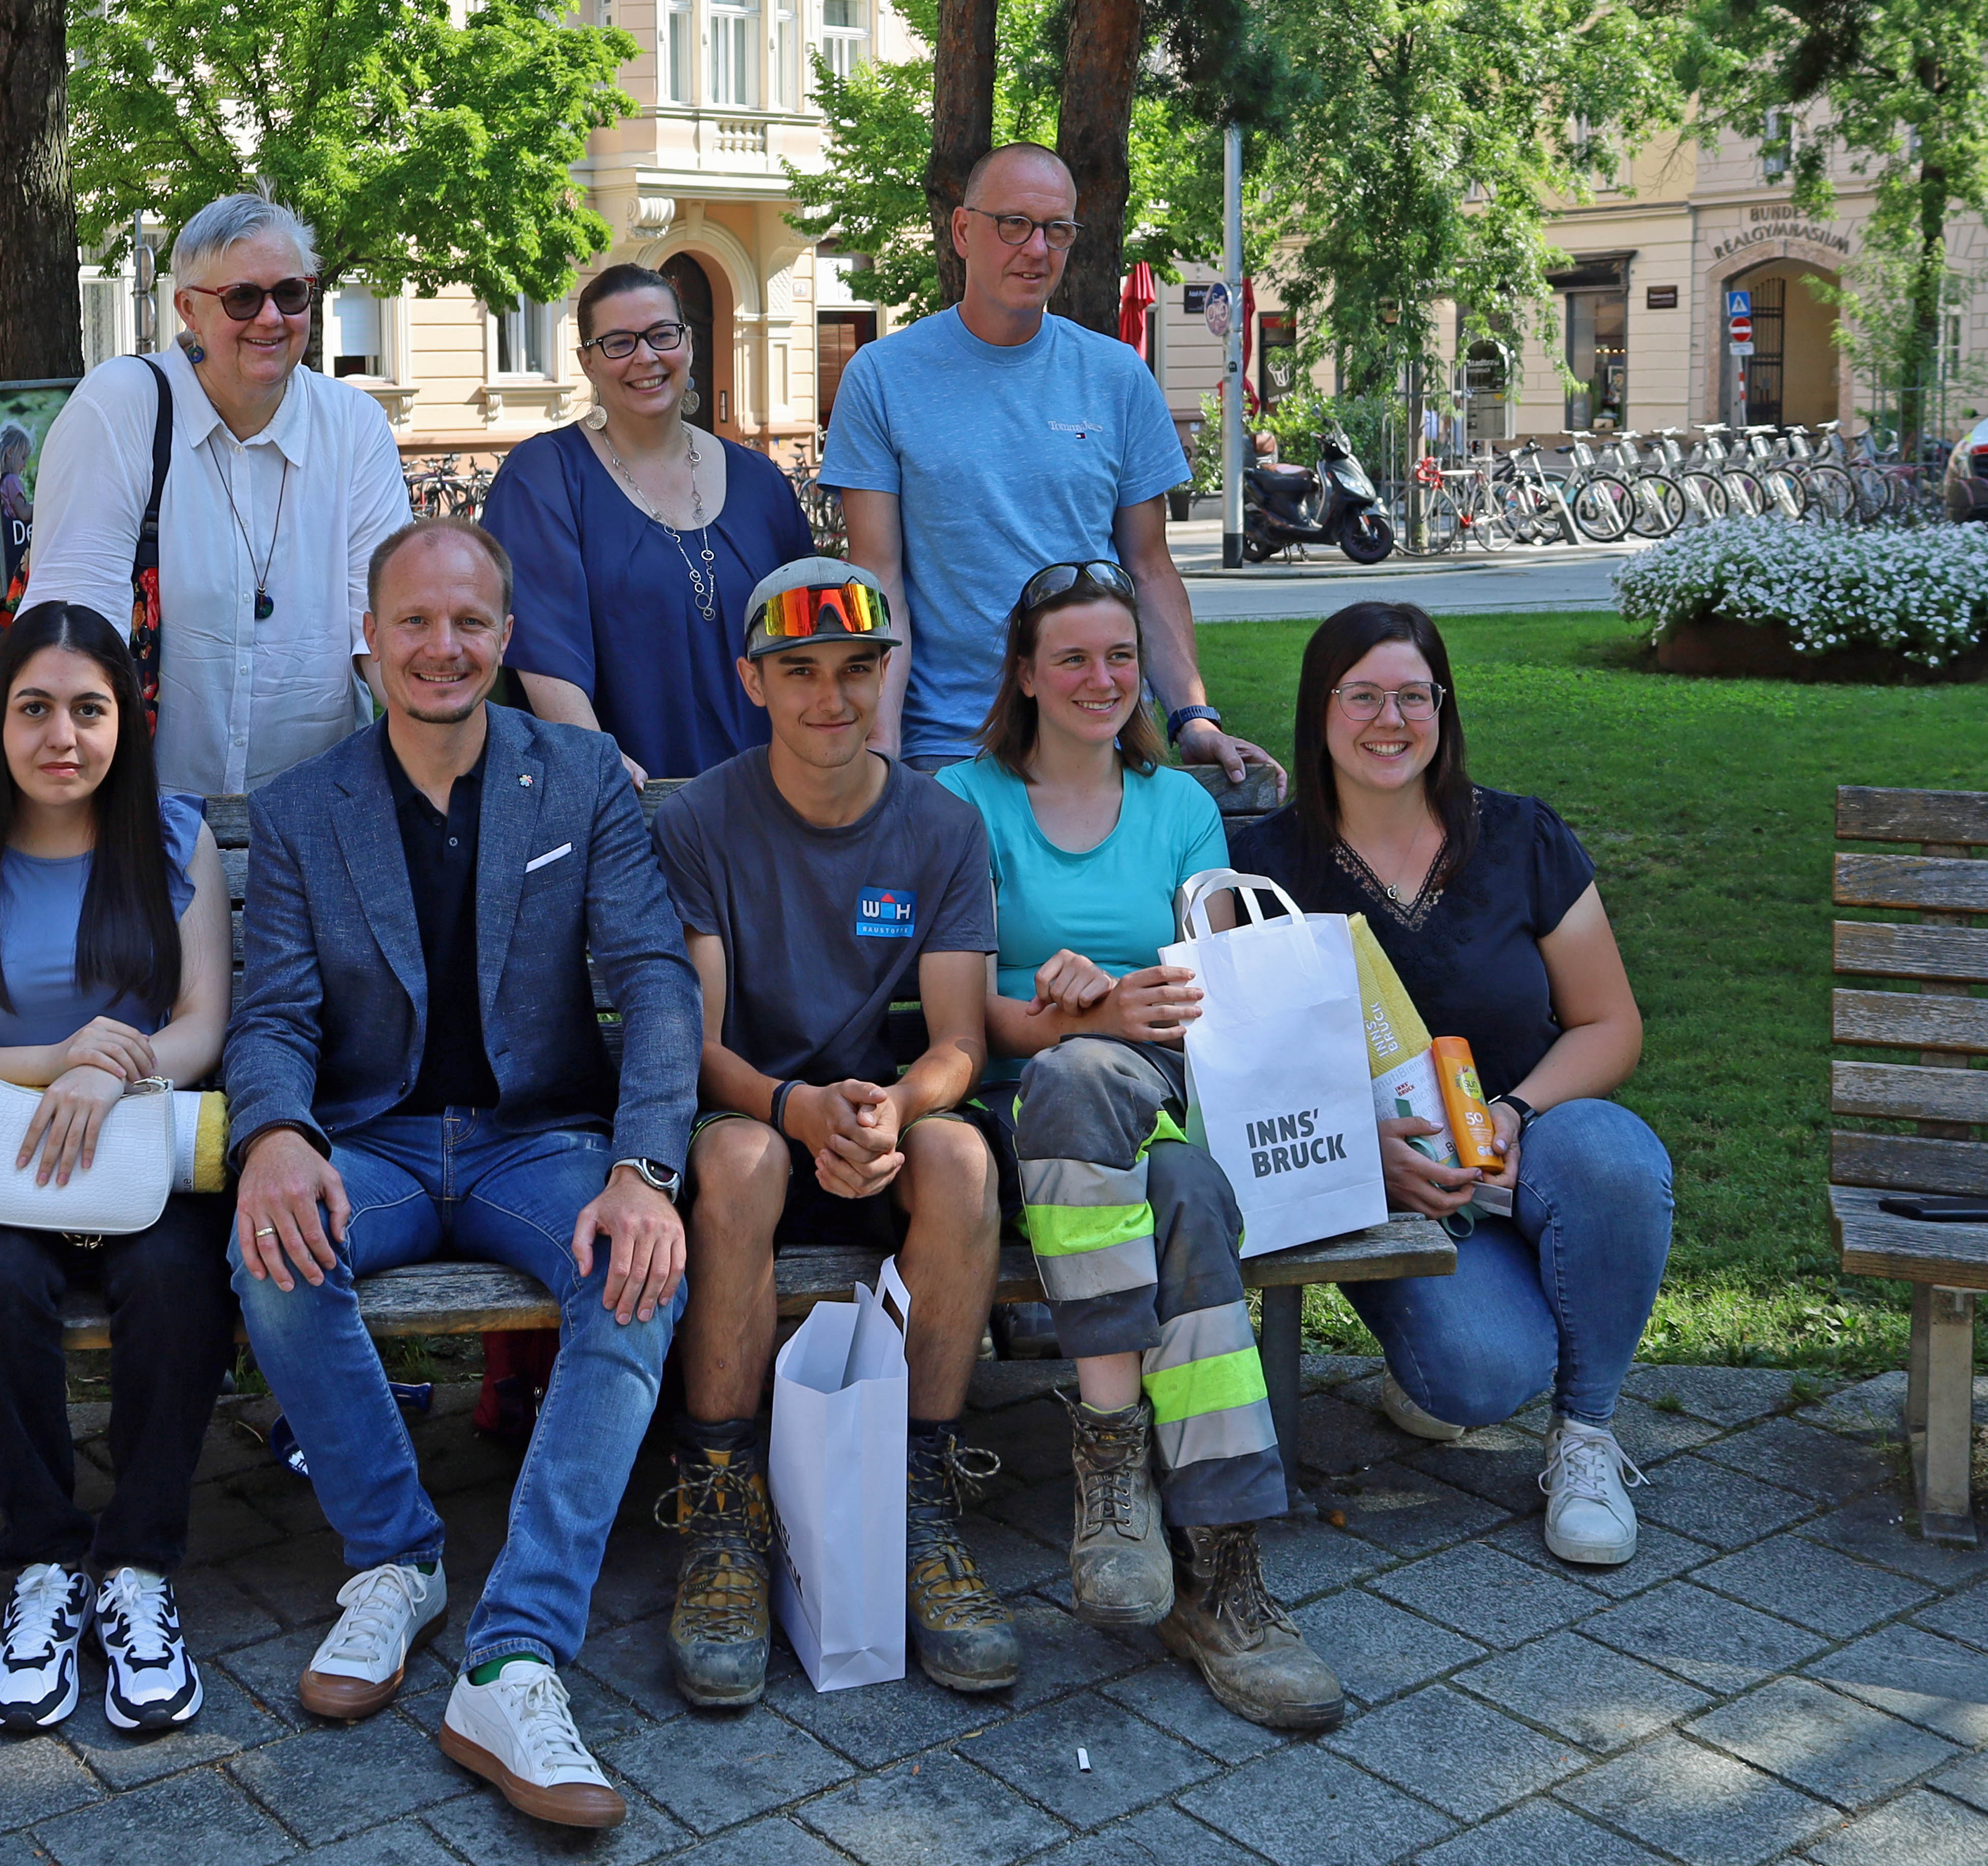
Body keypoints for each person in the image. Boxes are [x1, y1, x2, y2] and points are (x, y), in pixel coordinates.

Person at [224, 519, 695, 1832]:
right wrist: (273, 1137)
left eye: (470, 623)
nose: (443, 648)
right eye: (415, 623)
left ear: (505, 636)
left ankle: (518, 1651)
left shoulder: (583, 776)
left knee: (641, 1268)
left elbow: (655, 979)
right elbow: (273, 1019)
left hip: (536, 1139)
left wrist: (646, 1166)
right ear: (366, 641)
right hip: (369, 1141)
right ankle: (393, 1559)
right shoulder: (305, 807)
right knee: (269, 1248)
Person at [935, 566, 1343, 1732]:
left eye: (1121, 655)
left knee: (1160, 1150)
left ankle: (1150, 1501)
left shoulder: (1177, 808)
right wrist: (1071, 1013)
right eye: (1072, 657)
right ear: (1024, 672)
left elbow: (1218, 988)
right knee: (1166, 1176)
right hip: (1027, 1121)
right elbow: (969, 1016)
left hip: (1164, 1089)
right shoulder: (965, 801)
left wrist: (1109, 1004)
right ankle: (1211, 1560)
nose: (1103, 678)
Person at [1231, 601, 1670, 1567]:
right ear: (1320, 709)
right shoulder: (1263, 870)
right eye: (1364, 696)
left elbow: (1611, 1024)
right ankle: (1449, 1352)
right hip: (1388, 1183)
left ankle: (1588, 1436)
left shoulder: (1520, 837)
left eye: (1413, 697)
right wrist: (1358, 1152)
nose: (1391, 721)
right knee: (1475, 1379)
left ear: (1444, 708)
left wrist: (1515, 1113)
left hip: (1532, 1147)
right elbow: (1252, 1078)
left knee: (1619, 1160)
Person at [650, 558, 1015, 1708]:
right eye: (799, 670)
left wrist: (895, 1106)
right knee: (738, 1158)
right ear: (753, 680)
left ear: (887, 676)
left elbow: (960, 1037)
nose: (832, 698)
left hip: (874, 1130)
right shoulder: (701, 818)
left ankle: (917, 1499)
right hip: (757, 1116)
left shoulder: (940, 826)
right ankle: (720, 1507)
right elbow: (690, 1038)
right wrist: (792, 1106)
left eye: (858, 668)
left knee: (962, 1156)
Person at [0, 601, 236, 1734]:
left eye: (89, 709)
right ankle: (43, 1562)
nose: (61, 737)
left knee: (180, 1280)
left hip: (140, 1149)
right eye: (32, 708)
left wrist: (114, 1076)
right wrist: (57, 1062)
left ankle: (138, 1567)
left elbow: (201, 1022)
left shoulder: (178, 839)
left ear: (127, 722)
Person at [822, 141, 1279, 786]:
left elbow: (1148, 568)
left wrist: (1193, 717)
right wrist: (883, 740)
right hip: (949, 747)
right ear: (962, 230)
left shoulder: (1117, 375)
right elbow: (878, 575)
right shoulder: (883, 376)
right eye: (1012, 224)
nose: (1035, 249)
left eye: (1056, 230)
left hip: (1096, 739)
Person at [22, 192, 411, 798]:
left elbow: (384, 634)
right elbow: (73, 632)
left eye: (290, 294)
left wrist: (444, 733)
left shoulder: (355, 425)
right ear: (188, 309)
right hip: (146, 816)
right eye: (242, 298)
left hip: (317, 818)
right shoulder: (122, 404)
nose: (271, 318)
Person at [479, 263, 813, 783]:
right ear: (587, 362)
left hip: (773, 800)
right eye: (618, 342)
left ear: (688, 343)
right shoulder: (544, 479)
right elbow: (544, 652)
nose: (646, 357)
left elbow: (805, 639)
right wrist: (602, 771)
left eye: (662, 334)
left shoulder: (760, 482)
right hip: (626, 804)